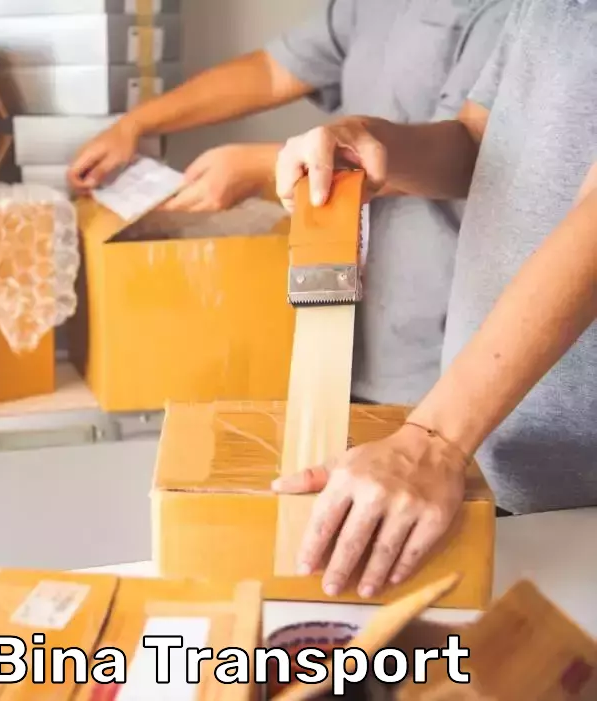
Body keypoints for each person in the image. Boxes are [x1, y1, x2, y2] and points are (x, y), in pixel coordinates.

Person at [271, 0, 597, 601]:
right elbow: (480, 141)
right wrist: (371, 144)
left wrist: (436, 439)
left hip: (579, 493)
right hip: (496, 459)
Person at [69, 0, 512, 410]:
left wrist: (267, 165)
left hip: (432, 347)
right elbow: (272, 71)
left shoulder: (511, 14)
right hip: (342, 326)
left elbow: (463, 153)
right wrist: (135, 125)